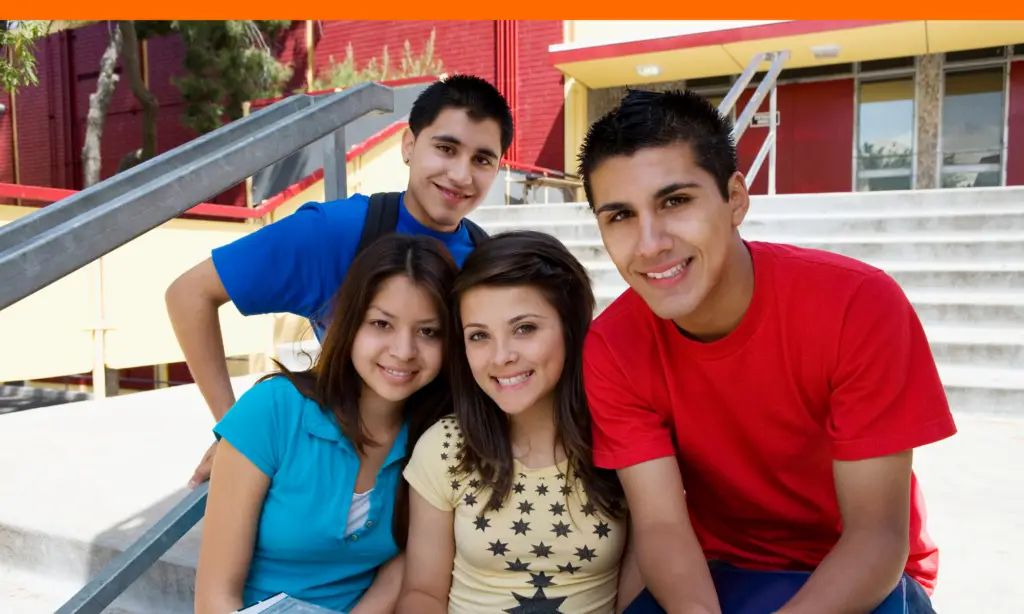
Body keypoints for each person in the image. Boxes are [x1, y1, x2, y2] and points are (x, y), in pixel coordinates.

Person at [576, 89, 958, 614]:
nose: (649, 244)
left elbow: (876, 538)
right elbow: (662, 525)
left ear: (735, 199)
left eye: (675, 201)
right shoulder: (613, 346)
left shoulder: (857, 304)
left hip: (856, 577)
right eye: (619, 216)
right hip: (717, 573)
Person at [166, 74, 514, 488]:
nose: (460, 174)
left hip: (441, 479)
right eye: (445, 148)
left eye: (482, 159)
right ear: (408, 146)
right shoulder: (336, 231)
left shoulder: (485, 259)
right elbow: (189, 293)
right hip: (340, 475)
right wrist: (234, 430)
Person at [194, 234, 459, 614]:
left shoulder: (438, 435)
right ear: (350, 324)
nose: (403, 351)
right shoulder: (273, 410)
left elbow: (403, 567)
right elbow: (214, 599)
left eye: (428, 331)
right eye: (382, 324)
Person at [396, 231, 643, 614]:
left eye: (524, 328)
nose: (501, 356)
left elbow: (637, 597)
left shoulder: (622, 436)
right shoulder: (446, 446)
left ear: (570, 327)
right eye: (479, 336)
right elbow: (422, 592)